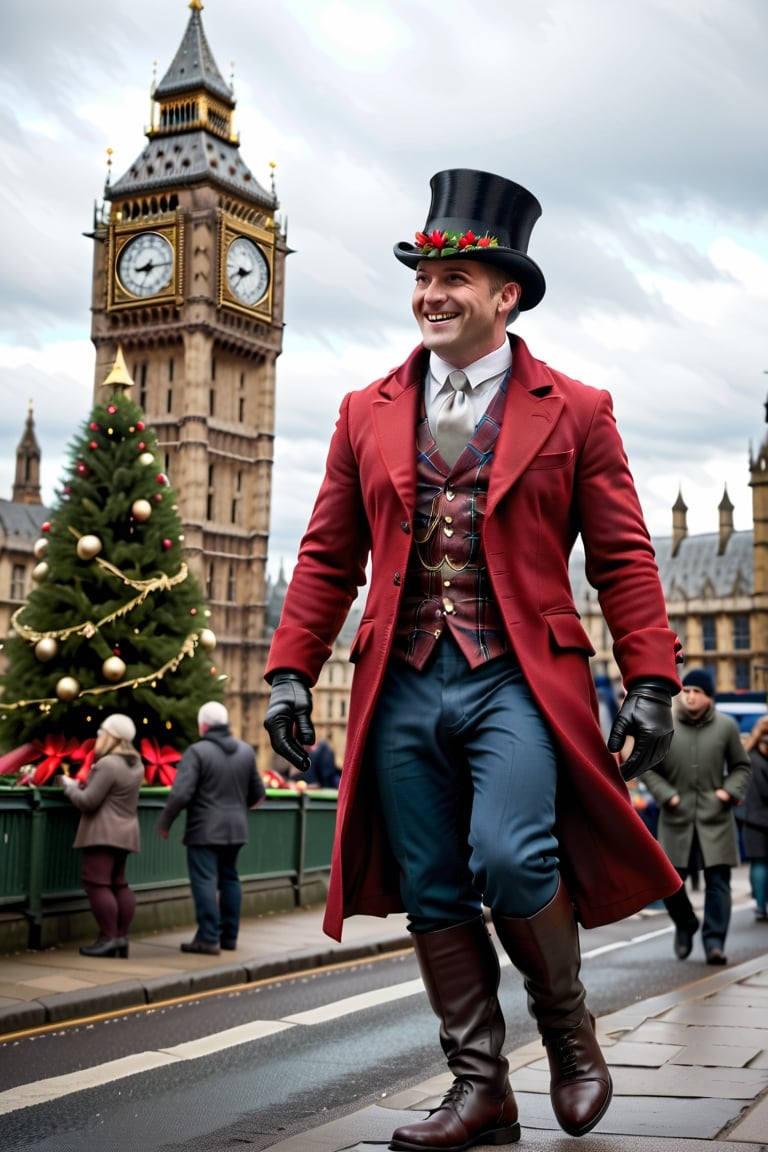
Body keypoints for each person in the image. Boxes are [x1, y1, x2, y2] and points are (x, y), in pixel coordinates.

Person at [264, 169, 683, 1149]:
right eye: (422, 276)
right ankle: (479, 1089)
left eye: (457, 278)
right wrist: (290, 667)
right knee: (434, 883)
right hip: (400, 679)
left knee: (508, 851)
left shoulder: (577, 409)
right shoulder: (363, 410)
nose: (431, 293)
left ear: (507, 296)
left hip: (517, 677)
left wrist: (655, 679)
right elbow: (328, 552)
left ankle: (570, 1034)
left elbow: (622, 553)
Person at [643, 668, 751, 966]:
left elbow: (742, 767)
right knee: (670, 883)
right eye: (686, 690)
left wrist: (728, 792)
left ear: (708, 697)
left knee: (718, 883)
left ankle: (714, 942)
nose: (689, 696)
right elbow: (649, 768)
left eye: (696, 692)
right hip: (676, 818)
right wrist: (667, 794)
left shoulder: (727, 727)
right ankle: (686, 923)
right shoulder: (665, 726)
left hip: (715, 817)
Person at [158, 701, 265, 954]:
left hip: (204, 829)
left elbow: (181, 793)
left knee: (205, 880)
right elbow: (259, 795)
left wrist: (165, 821)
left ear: (203, 725)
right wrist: (237, 807)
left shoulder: (197, 752)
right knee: (229, 879)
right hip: (236, 829)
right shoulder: (246, 751)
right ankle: (229, 937)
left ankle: (207, 938)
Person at [59, 713, 142, 958]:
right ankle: (121, 938)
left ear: (112, 736)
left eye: (101, 732)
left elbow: (88, 801)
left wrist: (68, 786)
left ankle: (108, 938)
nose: (98, 736)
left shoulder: (108, 764)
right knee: (119, 883)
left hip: (103, 832)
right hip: (126, 831)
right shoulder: (136, 765)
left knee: (97, 883)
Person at [737, 715, 768, 922]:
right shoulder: (757, 762)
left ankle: (759, 902)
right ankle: (760, 905)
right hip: (757, 818)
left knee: (758, 862)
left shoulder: (748, 757)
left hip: (750, 818)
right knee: (760, 863)